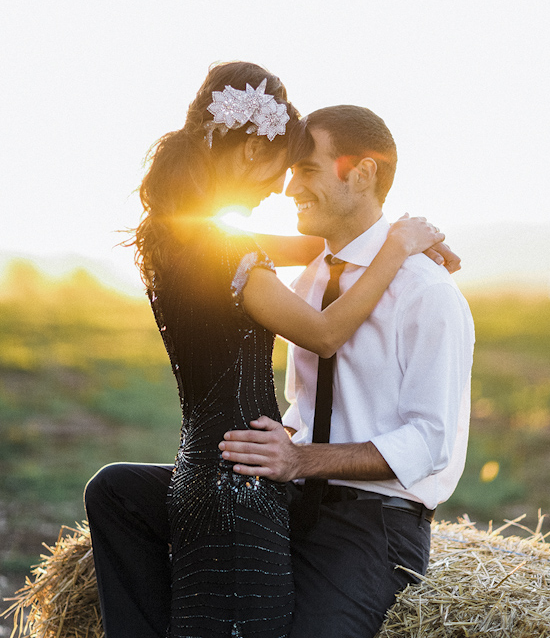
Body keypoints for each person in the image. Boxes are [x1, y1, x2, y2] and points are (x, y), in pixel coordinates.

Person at [85, 61, 449, 638]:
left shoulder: (173, 232)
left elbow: (317, 241)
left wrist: (393, 239)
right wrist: (397, 246)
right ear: (252, 148)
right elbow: (325, 334)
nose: (280, 189)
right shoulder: (230, 253)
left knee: (113, 490)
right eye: (284, 168)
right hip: (244, 486)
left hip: (201, 469)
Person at [219, 105, 475, 638]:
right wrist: (278, 443)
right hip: (295, 500)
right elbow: (307, 406)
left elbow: (429, 443)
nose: (289, 188)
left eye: (307, 169)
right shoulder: (311, 281)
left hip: (375, 524)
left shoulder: (428, 293)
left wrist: (298, 459)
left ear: (362, 173)